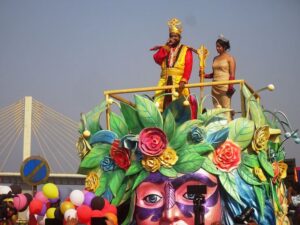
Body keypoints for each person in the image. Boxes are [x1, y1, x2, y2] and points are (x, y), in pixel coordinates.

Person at [151, 18, 194, 115]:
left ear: (179, 38)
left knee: (181, 106)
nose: (173, 38)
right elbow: (157, 59)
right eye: (171, 36)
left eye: (175, 36)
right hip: (164, 81)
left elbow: (188, 66)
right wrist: (165, 47)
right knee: (160, 105)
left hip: (179, 82)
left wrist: (184, 79)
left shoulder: (186, 50)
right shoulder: (166, 48)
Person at [204, 35, 236, 121]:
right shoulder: (215, 58)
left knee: (226, 108)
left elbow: (232, 74)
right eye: (216, 46)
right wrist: (205, 75)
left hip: (225, 87)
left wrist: (230, 86)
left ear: (224, 47)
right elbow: (214, 74)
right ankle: (219, 127)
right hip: (215, 86)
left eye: (219, 46)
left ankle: (228, 127)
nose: (217, 48)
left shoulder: (230, 58)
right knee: (217, 109)